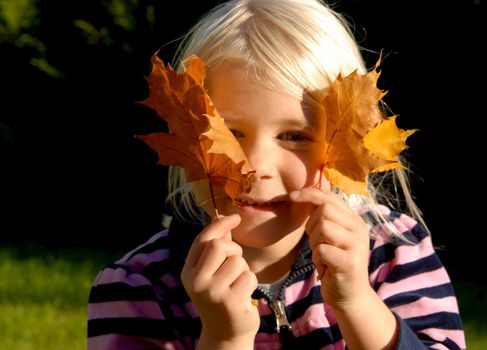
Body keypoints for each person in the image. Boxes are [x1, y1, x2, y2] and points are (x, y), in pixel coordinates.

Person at [87, 0, 466, 349]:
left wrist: (357, 303)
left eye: (295, 136)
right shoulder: (138, 290)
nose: (255, 167)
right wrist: (223, 338)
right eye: (230, 134)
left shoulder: (392, 252)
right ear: (186, 136)